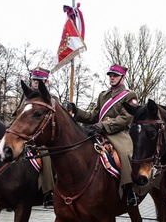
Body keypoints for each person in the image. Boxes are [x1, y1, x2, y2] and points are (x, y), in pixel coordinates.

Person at [67, 64, 139, 206]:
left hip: (118, 133)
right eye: (110, 75)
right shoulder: (103, 95)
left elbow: (126, 118)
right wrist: (76, 111)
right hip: (98, 130)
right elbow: (93, 116)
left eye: (115, 76)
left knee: (125, 154)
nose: (112, 78)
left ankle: (131, 189)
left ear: (123, 78)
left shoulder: (130, 96)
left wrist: (104, 125)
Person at [13, 67, 57, 208]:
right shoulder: (25, 98)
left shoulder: (51, 99)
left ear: (46, 82)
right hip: (24, 133)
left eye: (39, 80)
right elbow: (17, 116)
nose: (36, 83)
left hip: (41, 136)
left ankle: (48, 192)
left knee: (46, 155)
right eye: (34, 80)